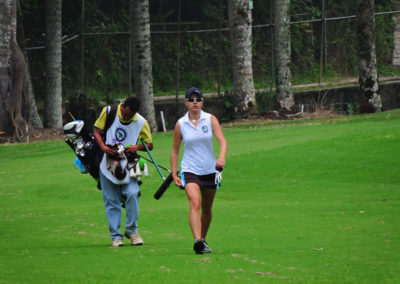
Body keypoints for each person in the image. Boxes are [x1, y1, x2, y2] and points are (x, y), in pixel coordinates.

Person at [170, 87, 228, 254]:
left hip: (210, 169)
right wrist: (174, 174)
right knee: (195, 202)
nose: (194, 102)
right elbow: (175, 150)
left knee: (207, 208)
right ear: (186, 103)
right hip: (190, 169)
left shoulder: (210, 119)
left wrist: (221, 158)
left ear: (202, 102)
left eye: (198, 99)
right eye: (191, 100)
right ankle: (197, 240)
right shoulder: (181, 124)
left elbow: (222, 141)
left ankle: (202, 240)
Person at [93, 97, 153, 248]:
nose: (127, 117)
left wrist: (136, 147)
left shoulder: (141, 122)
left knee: (133, 193)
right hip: (107, 161)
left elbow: (150, 145)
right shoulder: (109, 112)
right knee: (111, 200)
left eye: (130, 115)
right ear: (122, 106)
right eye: (126, 114)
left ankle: (132, 231)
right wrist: (103, 147)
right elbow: (97, 131)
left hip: (131, 162)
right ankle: (116, 237)